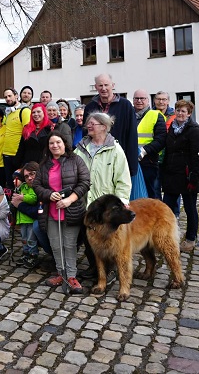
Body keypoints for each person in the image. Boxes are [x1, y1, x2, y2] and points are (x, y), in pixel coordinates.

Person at [74, 112, 131, 283]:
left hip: (105, 205)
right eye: (88, 123)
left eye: (93, 123)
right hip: (85, 202)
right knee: (88, 236)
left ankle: (112, 269)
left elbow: (123, 178)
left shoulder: (115, 150)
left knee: (109, 239)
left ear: (104, 127)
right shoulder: (81, 148)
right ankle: (95, 267)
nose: (88, 126)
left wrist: (122, 202)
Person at [33, 133, 91, 294]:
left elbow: (85, 182)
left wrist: (70, 200)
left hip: (71, 210)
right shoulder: (44, 164)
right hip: (51, 211)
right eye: (51, 143)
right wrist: (48, 194)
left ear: (64, 144)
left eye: (58, 142)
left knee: (69, 245)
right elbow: (37, 185)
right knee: (56, 246)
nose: (55, 145)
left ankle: (71, 276)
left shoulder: (76, 160)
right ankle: (61, 273)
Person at [161, 100, 199, 252]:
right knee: (167, 208)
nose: (179, 113)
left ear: (189, 114)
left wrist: (194, 178)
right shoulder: (171, 129)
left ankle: (191, 239)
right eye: (178, 110)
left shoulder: (195, 130)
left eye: (183, 111)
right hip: (172, 175)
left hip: (187, 177)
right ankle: (167, 236)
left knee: (190, 209)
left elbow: (197, 157)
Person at [84, 73, 138, 176]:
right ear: (96, 87)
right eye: (100, 85)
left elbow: (131, 135)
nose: (103, 88)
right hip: (96, 160)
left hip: (119, 158)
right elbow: (86, 135)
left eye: (106, 85)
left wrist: (132, 166)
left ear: (112, 85)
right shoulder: (90, 107)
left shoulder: (125, 106)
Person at [132, 89, 167, 200]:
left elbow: (161, 140)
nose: (139, 101)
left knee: (151, 193)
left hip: (148, 161)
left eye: (142, 98)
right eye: (136, 98)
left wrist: (144, 151)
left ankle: (155, 216)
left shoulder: (156, 115)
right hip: (130, 160)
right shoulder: (128, 115)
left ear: (148, 100)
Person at [10, 162, 41, 268]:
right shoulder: (23, 187)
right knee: (24, 238)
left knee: (31, 239)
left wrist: (22, 199)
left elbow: (33, 199)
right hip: (22, 219)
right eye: (26, 176)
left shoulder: (33, 189)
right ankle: (26, 253)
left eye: (32, 174)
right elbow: (15, 203)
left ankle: (33, 255)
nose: (29, 178)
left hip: (31, 220)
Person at [1, 88, 30, 188]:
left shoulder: (24, 111)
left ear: (16, 96)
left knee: (20, 184)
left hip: (17, 154)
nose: (8, 99)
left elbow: (28, 133)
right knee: (10, 185)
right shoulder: (8, 113)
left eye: (10, 96)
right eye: (5, 97)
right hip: (6, 154)